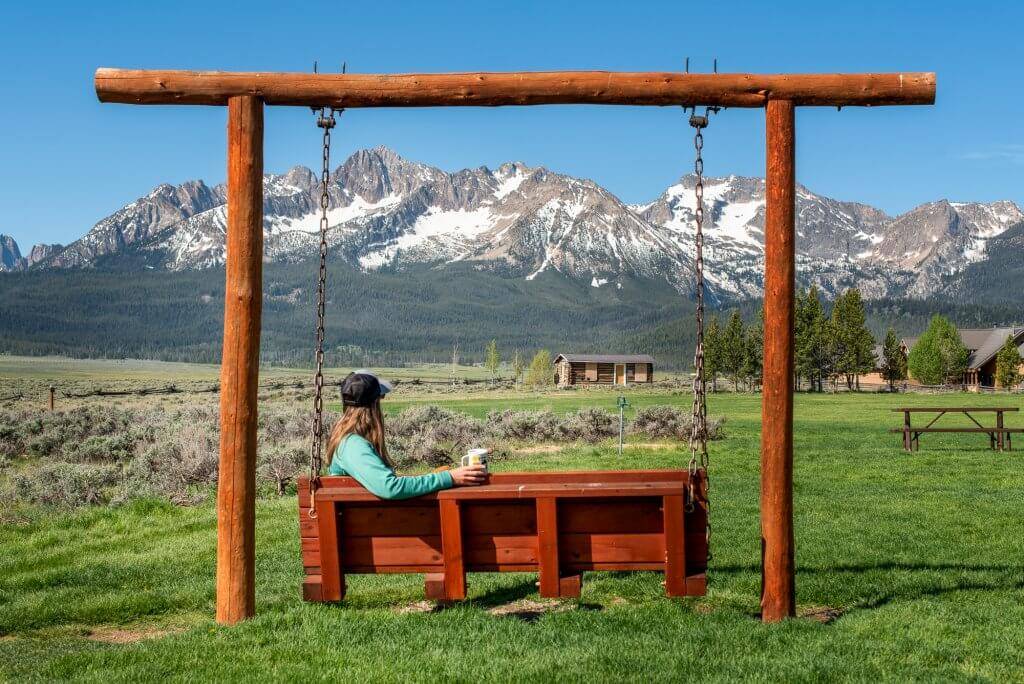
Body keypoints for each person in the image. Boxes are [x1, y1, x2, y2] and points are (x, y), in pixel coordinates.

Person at [325, 370, 486, 499]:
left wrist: (435, 477)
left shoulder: (348, 442)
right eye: (380, 399)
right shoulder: (352, 445)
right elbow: (390, 487)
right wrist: (448, 478)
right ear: (374, 406)